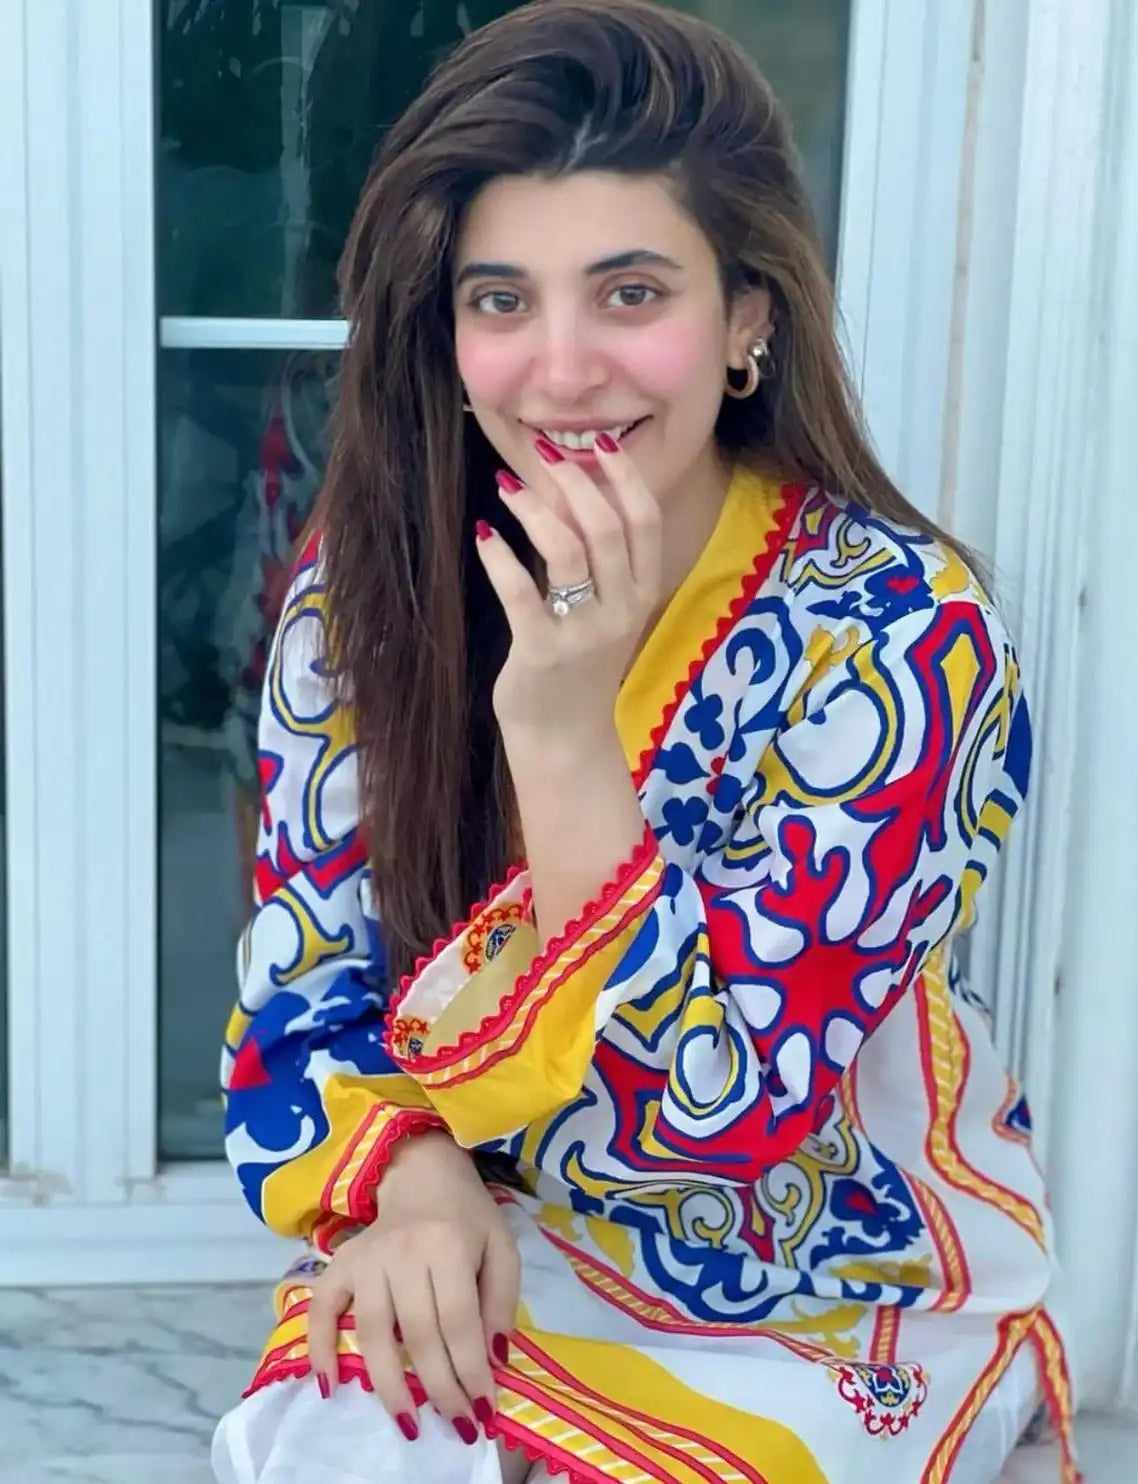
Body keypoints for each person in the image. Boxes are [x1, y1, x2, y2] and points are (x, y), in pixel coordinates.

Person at [212, 3, 1077, 1481]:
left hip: (824, 1268)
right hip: (489, 1226)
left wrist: (561, 729)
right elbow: (301, 997)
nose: (561, 371)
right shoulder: (366, 592)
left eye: (629, 293)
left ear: (747, 320)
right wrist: (411, 1182)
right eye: (501, 301)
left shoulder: (899, 637)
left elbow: (723, 1119)